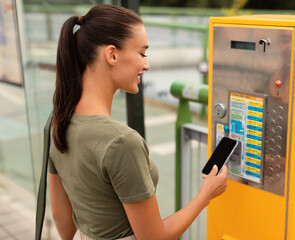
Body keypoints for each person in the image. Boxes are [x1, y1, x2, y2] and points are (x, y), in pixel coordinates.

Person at [48, 4, 228, 240]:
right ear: (112, 54)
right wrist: (206, 194)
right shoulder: (121, 142)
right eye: (142, 53)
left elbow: (63, 222)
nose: (146, 64)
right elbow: (155, 238)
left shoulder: (59, 122)